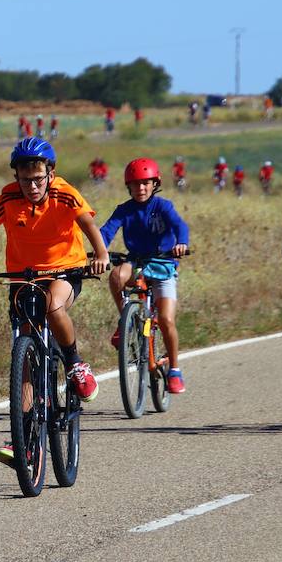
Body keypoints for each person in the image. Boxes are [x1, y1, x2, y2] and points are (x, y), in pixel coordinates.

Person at [0, 138, 109, 465]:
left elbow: (88, 223)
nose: (32, 186)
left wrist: (102, 255)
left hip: (65, 271)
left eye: (38, 178)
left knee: (53, 307)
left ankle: (76, 364)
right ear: (16, 177)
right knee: (23, 350)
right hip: (24, 277)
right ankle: (23, 438)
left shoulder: (64, 192)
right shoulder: (8, 197)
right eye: (25, 180)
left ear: (50, 174)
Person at [100, 158, 191, 394]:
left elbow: (180, 226)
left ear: (155, 184)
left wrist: (182, 242)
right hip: (137, 262)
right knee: (116, 276)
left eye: (145, 183)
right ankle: (125, 322)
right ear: (128, 187)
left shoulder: (163, 206)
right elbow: (107, 231)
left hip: (163, 265)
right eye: (135, 184)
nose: (140, 189)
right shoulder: (124, 210)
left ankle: (174, 370)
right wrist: (98, 251)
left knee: (167, 320)